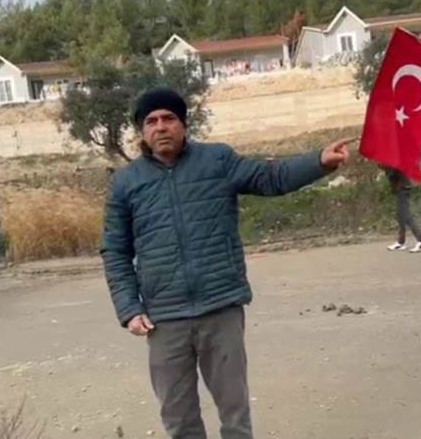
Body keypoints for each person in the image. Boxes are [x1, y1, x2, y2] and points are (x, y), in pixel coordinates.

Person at [101, 88, 350, 439]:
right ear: (142, 132)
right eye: (151, 121)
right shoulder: (126, 182)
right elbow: (115, 250)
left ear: (183, 125)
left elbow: (271, 178)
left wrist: (318, 161)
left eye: (169, 118)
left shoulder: (217, 161)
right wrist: (129, 308)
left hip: (220, 309)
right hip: (164, 318)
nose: (161, 127)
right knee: (179, 419)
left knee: (235, 415)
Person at [384, 167, 421, 253]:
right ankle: (401, 242)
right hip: (400, 188)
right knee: (400, 215)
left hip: (403, 188)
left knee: (406, 215)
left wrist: (386, 168)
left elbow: (392, 174)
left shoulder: (393, 162)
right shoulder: (390, 162)